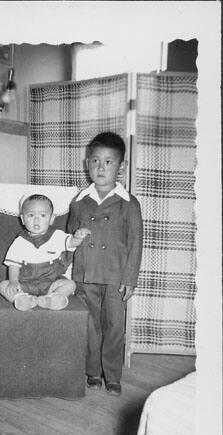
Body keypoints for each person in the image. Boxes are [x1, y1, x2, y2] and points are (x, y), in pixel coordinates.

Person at [68, 132, 143, 396]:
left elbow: (135, 243)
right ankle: (93, 372)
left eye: (109, 162)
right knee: (90, 325)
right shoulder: (79, 202)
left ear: (120, 167)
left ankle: (112, 375)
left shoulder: (129, 204)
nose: (101, 168)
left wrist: (130, 279)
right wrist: (72, 247)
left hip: (115, 275)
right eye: (96, 161)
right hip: (85, 274)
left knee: (114, 327)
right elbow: (69, 238)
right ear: (87, 164)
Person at [0, 193, 90, 312]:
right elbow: (14, 265)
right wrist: (13, 281)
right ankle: (21, 299)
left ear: (51, 219)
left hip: (51, 284)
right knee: (3, 285)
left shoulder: (57, 236)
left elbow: (71, 243)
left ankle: (53, 298)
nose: (36, 220)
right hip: (25, 284)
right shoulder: (20, 242)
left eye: (43, 215)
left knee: (70, 284)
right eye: (31, 215)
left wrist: (78, 237)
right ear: (22, 219)